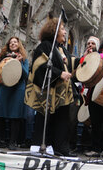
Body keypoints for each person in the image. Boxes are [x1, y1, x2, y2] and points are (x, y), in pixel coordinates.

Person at [25, 15, 80, 156]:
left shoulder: (60, 49)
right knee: (45, 119)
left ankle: (60, 147)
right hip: (48, 93)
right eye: (62, 28)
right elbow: (38, 66)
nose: (65, 32)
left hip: (61, 94)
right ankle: (42, 145)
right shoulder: (45, 46)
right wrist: (59, 73)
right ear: (54, 30)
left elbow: (70, 62)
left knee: (62, 120)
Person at [0, 37, 29, 150]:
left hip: (18, 89)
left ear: (19, 45)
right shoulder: (4, 58)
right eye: (11, 43)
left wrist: (19, 62)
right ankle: (1, 140)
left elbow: (26, 75)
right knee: (1, 114)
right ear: (8, 46)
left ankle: (12, 142)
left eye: (15, 42)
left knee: (15, 116)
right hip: (5, 88)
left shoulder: (24, 59)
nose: (13, 44)